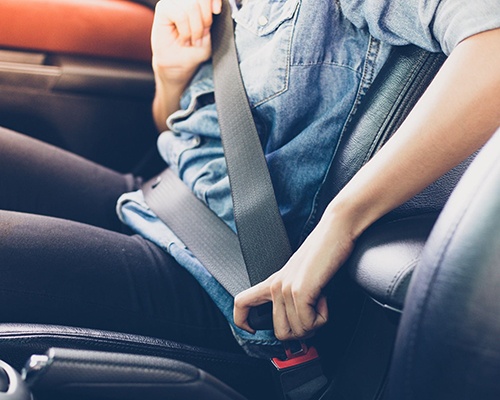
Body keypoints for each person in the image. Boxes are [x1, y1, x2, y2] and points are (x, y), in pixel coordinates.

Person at [0, 0, 498, 358]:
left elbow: (493, 46)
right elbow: (181, 131)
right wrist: (171, 72)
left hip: (225, 275)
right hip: (166, 198)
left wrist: (340, 223)